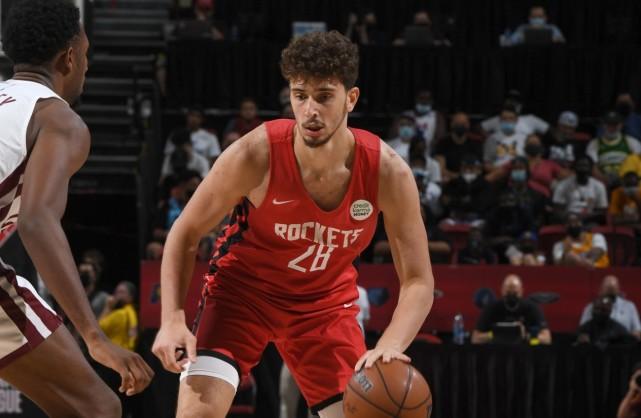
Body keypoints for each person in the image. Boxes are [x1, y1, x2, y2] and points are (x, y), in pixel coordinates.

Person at [152, 30, 435, 418]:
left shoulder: (388, 173)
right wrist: (171, 319)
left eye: (324, 96)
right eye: (300, 95)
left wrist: (391, 345)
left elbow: (419, 280)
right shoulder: (256, 154)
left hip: (324, 307)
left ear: (351, 98)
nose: (310, 110)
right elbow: (185, 231)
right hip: (242, 295)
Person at [0, 1, 153, 416]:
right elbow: (36, 221)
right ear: (69, 58)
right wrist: (94, 336)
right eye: (86, 55)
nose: (87, 66)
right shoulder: (57, 119)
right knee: (95, 408)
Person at [471, 274, 552, 344]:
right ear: (502, 290)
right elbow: (475, 339)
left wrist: (526, 335)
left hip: (524, 351)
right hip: (498, 351)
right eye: (508, 293)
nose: (511, 297)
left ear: (521, 291)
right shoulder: (491, 308)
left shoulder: (532, 308)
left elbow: (547, 339)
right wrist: (494, 334)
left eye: (515, 293)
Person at [587, 111, 641, 187]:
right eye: (608, 124)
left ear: (621, 125)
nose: (611, 127)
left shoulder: (632, 142)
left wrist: (625, 179)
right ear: (603, 125)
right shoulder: (594, 144)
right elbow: (593, 167)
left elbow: (638, 164)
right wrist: (604, 180)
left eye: (615, 124)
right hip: (604, 182)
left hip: (627, 183)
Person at [579, 275, 641, 339]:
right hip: (598, 342)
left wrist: (625, 337)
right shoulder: (591, 307)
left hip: (623, 342)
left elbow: (638, 331)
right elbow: (582, 332)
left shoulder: (629, 306)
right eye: (608, 290)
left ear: (618, 290)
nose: (610, 295)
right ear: (601, 290)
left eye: (612, 291)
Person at [552, 156, 608, 223]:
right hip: (568, 221)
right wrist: (569, 218)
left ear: (591, 168)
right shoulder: (563, 185)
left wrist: (582, 218)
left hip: (589, 221)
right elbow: (557, 209)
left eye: (585, 166)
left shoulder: (599, 186)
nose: (582, 169)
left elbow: (601, 211)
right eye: (579, 165)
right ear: (574, 167)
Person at [433, 112, 483, 183]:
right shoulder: (442, 143)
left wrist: (467, 177)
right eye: (457, 123)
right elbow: (440, 169)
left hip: (472, 179)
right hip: (450, 180)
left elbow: (479, 168)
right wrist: (458, 178)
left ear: (468, 125)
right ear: (451, 124)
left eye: (463, 124)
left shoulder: (476, 143)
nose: (460, 126)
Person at [481, 90, 549, 137]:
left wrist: (535, 139)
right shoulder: (499, 118)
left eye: (515, 101)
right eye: (510, 100)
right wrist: (490, 138)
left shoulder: (530, 118)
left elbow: (548, 130)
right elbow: (480, 127)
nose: (512, 103)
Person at [483, 105, 528, 170]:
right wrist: (503, 171)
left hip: (520, 173)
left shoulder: (525, 138)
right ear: (500, 120)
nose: (508, 121)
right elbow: (487, 164)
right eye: (504, 118)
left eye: (511, 118)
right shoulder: (492, 139)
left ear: (516, 120)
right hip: (498, 173)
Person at [99, 281, 139, 352]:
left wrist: (107, 307)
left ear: (131, 297)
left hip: (115, 352)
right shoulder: (129, 312)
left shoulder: (121, 314)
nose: (117, 295)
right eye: (116, 292)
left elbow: (99, 329)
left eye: (121, 292)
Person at [501, 5, 566, 46]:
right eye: (534, 16)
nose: (537, 19)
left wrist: (556, 40)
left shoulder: (553, 28)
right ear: (529, 18)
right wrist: (520, 39)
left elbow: (563, 41)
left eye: (540, 16)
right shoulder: (522, 28)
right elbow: (510, 42)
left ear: (545, 18)